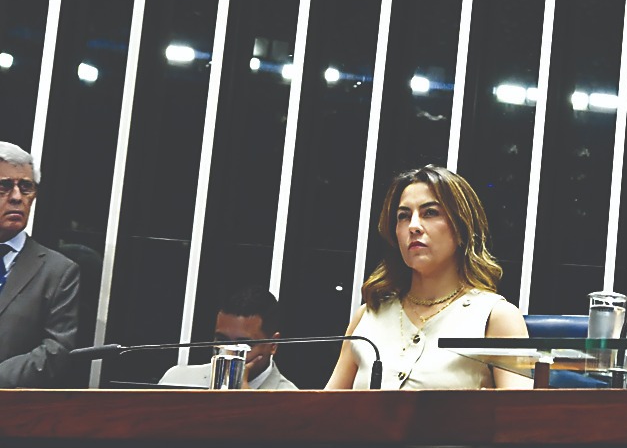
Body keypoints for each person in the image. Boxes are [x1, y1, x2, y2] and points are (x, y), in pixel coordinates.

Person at [325, 165, 531, 389]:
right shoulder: (367, 315)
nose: (413, 226)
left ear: (461, 226)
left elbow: (521, 418)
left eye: (430, 213)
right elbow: (325, 412)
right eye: (403, 216)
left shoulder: (495, 316)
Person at [0, 142, 81, 387]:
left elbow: (57, 350)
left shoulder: (58, 272)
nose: (17, 197)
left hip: (12, 413)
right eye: (4, 186)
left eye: (26, 187)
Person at [158, 285, 297, 389]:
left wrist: (251, 403)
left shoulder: (294, 402)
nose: (229, 353)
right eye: (222, 341)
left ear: (273, 345)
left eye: (244, 346)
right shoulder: (177, 380)